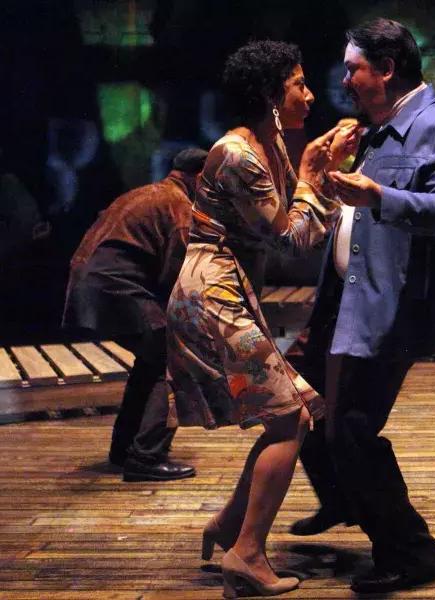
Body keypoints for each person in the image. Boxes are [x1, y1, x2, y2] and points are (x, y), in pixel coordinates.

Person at [290, 18, 435, 594]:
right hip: (344, 300)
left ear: (388, 69)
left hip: (387, 307)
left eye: (354, 69)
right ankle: (346, 497)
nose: (344, 81)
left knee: (350, 428)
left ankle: (410, 553)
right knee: (302, 404)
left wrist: (378, 195)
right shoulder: (376, 129)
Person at [166, 40, 354, 598]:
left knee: (292, 411)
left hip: (226, 287)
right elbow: (293, 236)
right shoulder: (239, 153)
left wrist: (311, 170)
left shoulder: (262, 141)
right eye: (299, 84)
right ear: (273, 96)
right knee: (290, 419)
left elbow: (294, 219)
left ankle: (229, 528)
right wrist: (316, 176)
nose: (310, 94)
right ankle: (245, 555)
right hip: (212, 292)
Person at [62, 147, 207, 482]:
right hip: (113, 287)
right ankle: (146, 457)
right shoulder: (179, 206)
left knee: (152, 359)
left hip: (91, 285)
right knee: (174, 361)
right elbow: (179, 276)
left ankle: (125, 448)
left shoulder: (147, 192)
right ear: (199, 177)